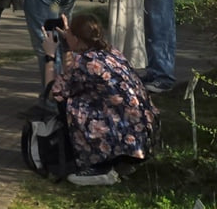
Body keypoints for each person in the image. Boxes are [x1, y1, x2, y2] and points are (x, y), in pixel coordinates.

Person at [42, 13, 161, 186]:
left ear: (76, 38)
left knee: (68, 104)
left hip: (123, 133)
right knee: (84, 97)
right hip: (145, 133)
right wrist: (69, 43)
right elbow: (70, 76)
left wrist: (50, 56)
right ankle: (124, 160)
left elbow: (53, 92)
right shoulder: (110, 52)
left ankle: (100, 166)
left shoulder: (85, 62)